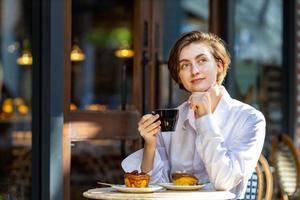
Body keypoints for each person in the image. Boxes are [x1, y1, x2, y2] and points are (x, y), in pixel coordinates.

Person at [121, 31, 265, 199]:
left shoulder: (250, 119)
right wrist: (150, 144)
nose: (194, 70)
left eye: (202, 60)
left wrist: (205, 119)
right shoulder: (172, 119)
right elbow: (151, 188)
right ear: (179, 77)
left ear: (219, 65)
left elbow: (224, 181)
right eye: (185, 65)